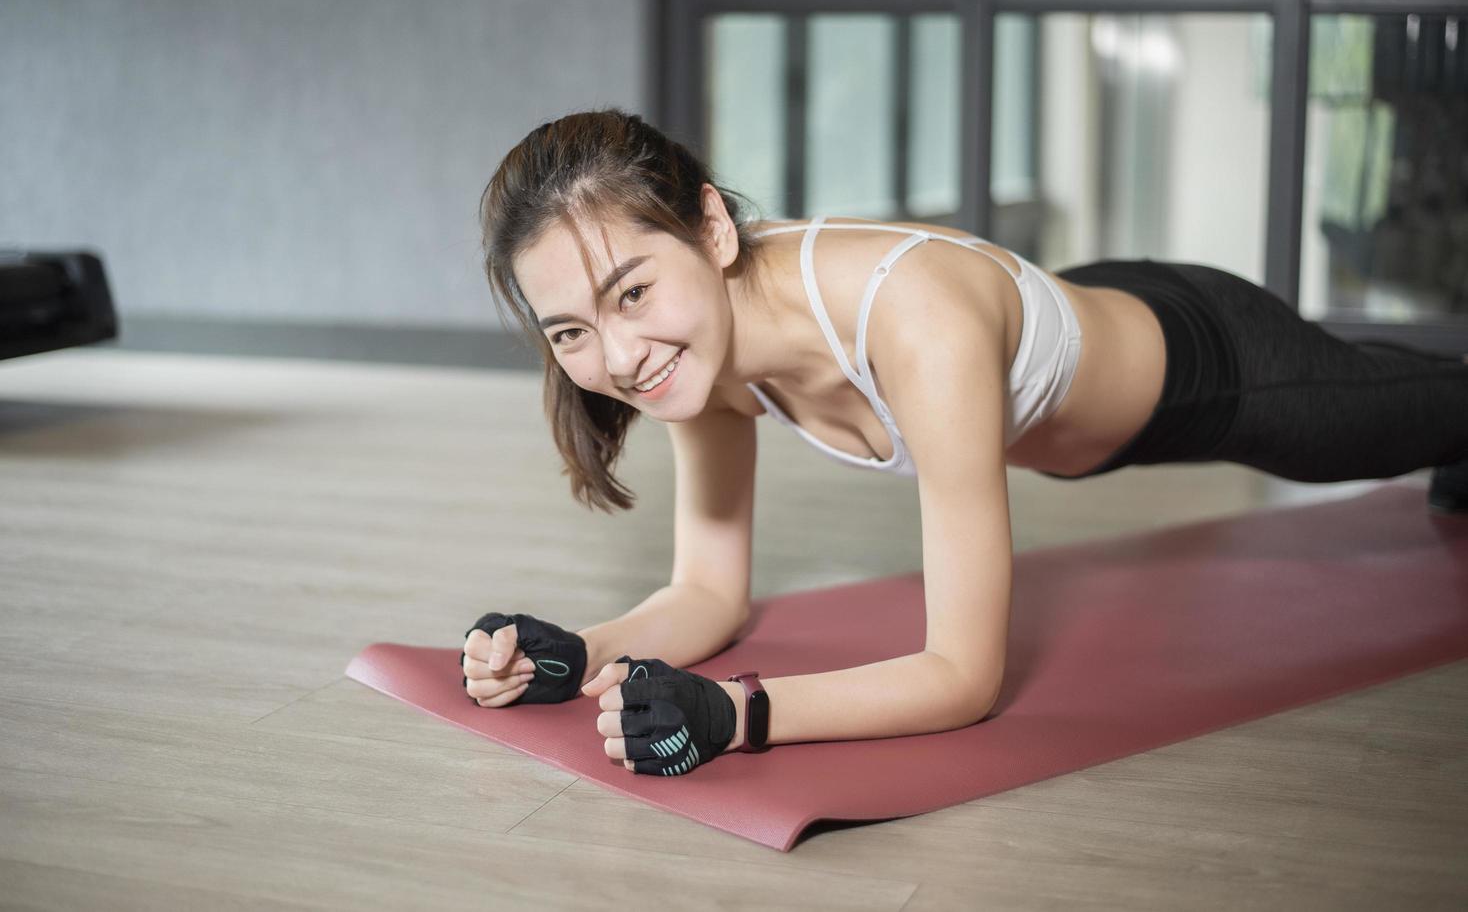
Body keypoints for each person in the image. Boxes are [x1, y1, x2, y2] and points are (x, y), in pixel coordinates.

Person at [459, 107, 1468, 778]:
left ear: (712, 228)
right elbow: (707, 593)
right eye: (571, 332)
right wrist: (574, 652)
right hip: (1086, 320)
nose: (621, 355)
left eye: (631, 291)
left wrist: (737, 714)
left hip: (1213, 369)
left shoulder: (914, 321)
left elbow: (962, 673)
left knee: (1435, 410)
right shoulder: (705, 359)